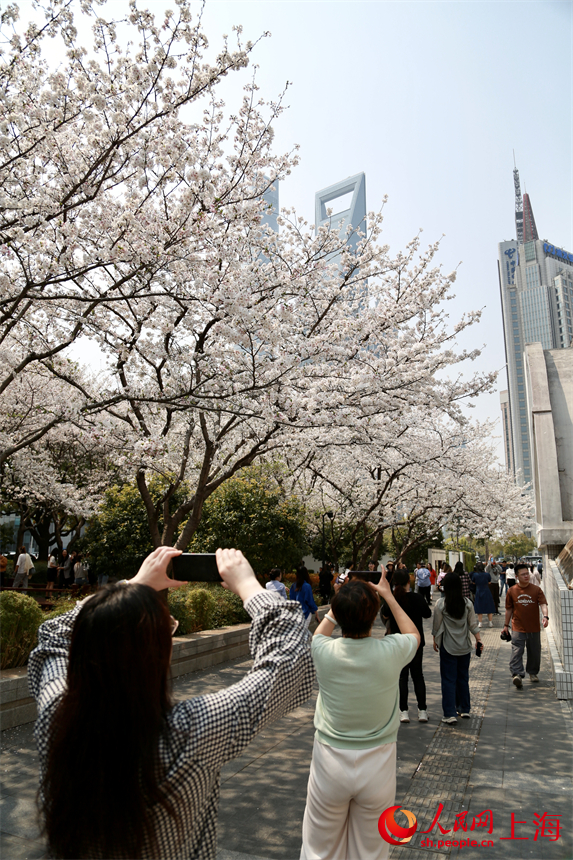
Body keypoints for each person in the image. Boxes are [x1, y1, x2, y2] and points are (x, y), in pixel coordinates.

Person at [29, 547, 313, 860]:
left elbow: (54, 636)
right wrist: (249, 587)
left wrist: (133, 584)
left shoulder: (56, 719)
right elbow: (289, 665)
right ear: (157, 655)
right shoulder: (192, 731)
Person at [300, 569, 420, 860]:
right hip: (378, 765)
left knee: (319, 849)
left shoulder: (323, 650)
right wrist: (388, 595)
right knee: (371, 852)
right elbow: (413, 633)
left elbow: (319, 633)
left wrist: (338, 604)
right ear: (374, 614)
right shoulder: (391, 650)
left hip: (329, 763)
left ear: (338, 615)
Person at [382, 568, 431, 723]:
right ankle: (422, 711)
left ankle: (404, 712)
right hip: (416, 643)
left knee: (402, 677)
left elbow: (384, 614)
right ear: (408, 581)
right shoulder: (417, 598)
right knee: (418, 676)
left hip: (398, 643)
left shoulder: (392, 600)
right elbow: (427, 614)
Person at [432, 573, 482, 723]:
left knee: (448, 680)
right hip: (465, 647)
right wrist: (478, 640)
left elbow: (437, 625)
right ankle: (464, 709)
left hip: (448, 647)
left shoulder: (441, 604)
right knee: (463, 678)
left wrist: (434, 639)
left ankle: (449, 713)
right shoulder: (467, 603)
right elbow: (473, 624)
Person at [503, 563, 549, 687]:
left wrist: (545, 616)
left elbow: (543, 604)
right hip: (517, 627)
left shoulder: (536, 589)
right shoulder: (512, 591)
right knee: (517, 651)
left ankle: (533, 673)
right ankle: (517, 674)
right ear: (517, 576)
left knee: (534, 651)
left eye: (527, 574)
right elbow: (508, 610)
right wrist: (505, 626)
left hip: (534, 627)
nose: (526, 576)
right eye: (523, 574)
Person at [470, 562, 495, 627]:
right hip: (486, 590)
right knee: (489, 606)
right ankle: (490, 622)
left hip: (479, 591)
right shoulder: (487, 574)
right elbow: (489, 582)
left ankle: (480, 623)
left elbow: (473, 582)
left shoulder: (475, 575)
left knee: (479, 607)